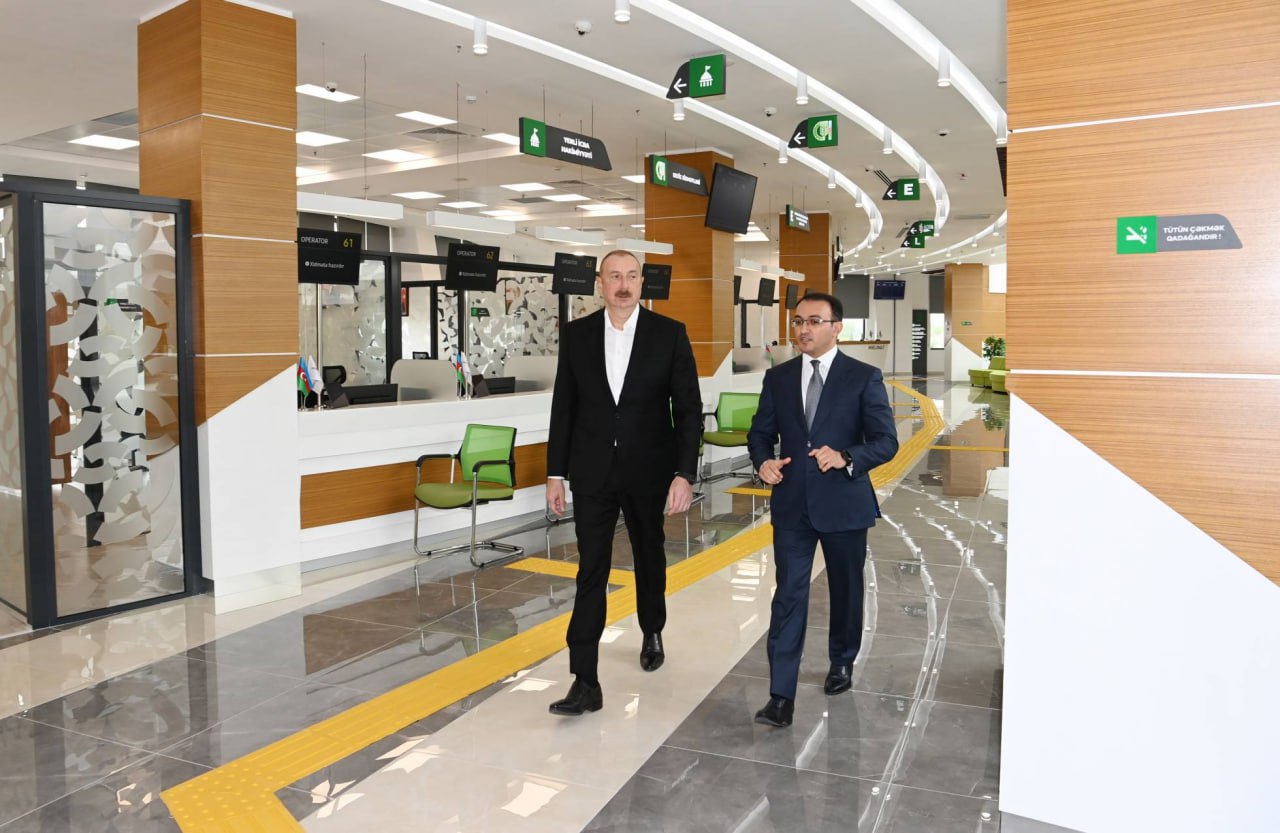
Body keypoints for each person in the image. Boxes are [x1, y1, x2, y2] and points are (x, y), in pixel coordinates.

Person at [545, 250, 702, 716]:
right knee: (590, 569)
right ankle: (584, 680)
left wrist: (684, 473)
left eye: (631, 276)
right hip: (592, 471)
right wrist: (555, 473)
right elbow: (564, 407)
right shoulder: (577, 335)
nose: (624, 285)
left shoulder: (668, 334)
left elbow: (688, 410)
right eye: (615, 276)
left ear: (641, 283)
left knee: (648, 555)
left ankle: (652, 628)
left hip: (649, 469)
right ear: (600, 283)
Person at [746, 291, 898, 727]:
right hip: (792, 504)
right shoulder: (778, 378)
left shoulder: (863, 377)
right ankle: (781, 696)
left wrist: (847, 456)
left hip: (844, 503)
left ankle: (842, 659)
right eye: (798, 321)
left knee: (845, 589)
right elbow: (760, 433)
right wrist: (763, 461)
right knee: (788, 596)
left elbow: (886, 442)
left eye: (814, 321)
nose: (804, 329)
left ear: (837, 328)